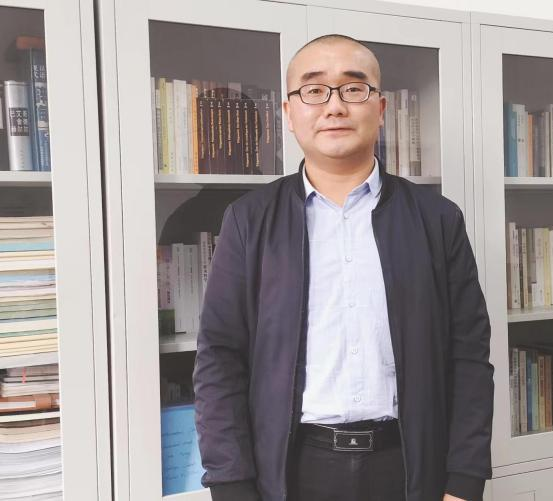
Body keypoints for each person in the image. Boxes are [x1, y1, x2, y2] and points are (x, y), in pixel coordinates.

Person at [193, 34, 494, 501]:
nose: (334, 106)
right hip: (291, 470)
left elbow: (469, 355)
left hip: (411, 466)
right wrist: (231, 485)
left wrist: (465, 481)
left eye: (353, 88)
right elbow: (220, 357)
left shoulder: (437, 219)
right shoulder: (249, 220)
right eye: (314, 90)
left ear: (381, 108)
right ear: (289, 112)